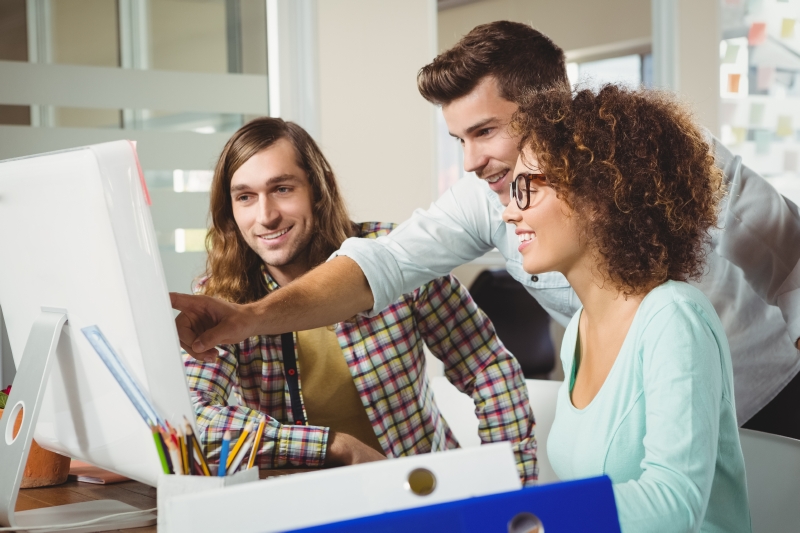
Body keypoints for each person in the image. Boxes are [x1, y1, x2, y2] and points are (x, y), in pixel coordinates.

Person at [171, 21, 800, 438]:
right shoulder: (484, 199)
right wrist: (247, 317)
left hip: (766, 406)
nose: (470, 161)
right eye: (458, 139)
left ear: (551, 108)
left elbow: (789, 256)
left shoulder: (664, 158)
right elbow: (380, 265)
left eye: (485, 132)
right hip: (641, 429)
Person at [183, 117, 537, 483]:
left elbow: (487, 367)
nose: (266, 216)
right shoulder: (224, 298)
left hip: (423, 499)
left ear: (317, 190)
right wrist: (333, 445)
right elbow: (193, 419)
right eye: (245, 197)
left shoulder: (394, 254)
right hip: (306, 506)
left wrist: (512, 488)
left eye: (283, 189)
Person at [504, 84, 751, 532]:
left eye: (527, 188)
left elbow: (674, 503)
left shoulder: (674, 318)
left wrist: (538, 521)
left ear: (598, 197)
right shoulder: (579, 328)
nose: (509, 211)